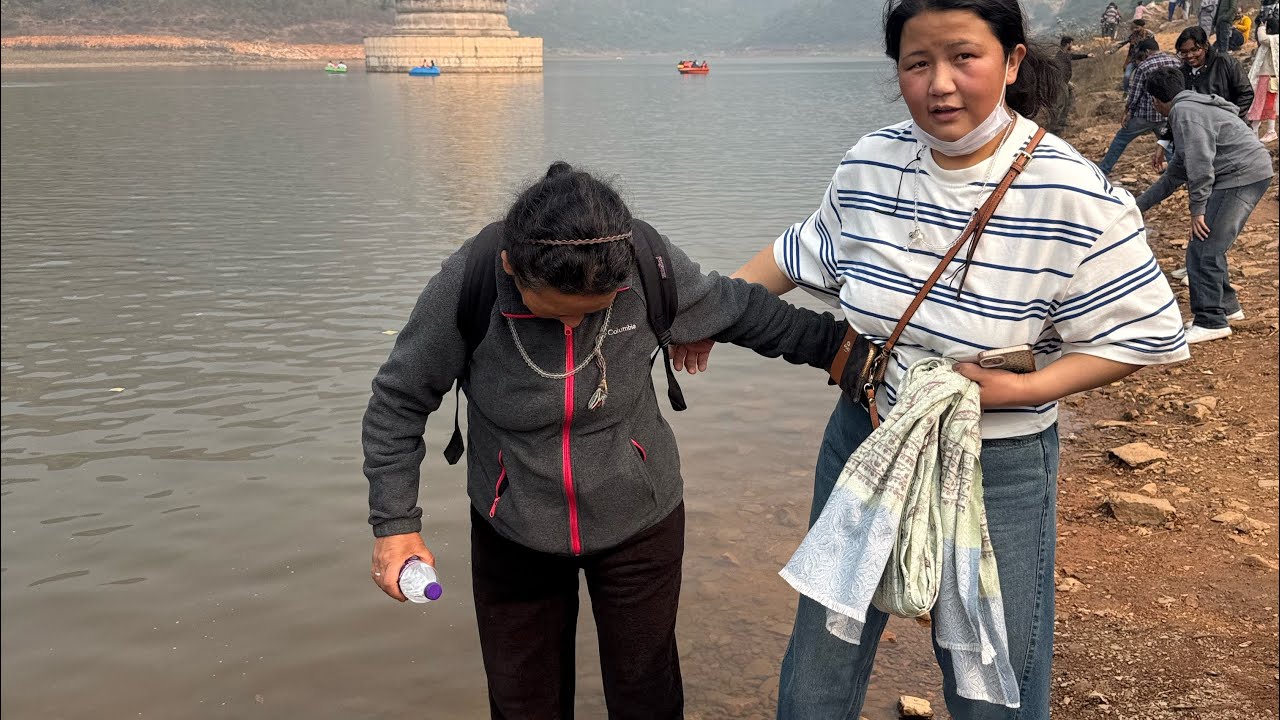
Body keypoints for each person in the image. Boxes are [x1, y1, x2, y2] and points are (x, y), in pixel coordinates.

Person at [674, 0, 1188, 717]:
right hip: (866, 437)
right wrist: (712, 309)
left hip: (996, 461)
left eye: (963, 57)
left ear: (1012, 61)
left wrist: (1024, 390)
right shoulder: (871, 162)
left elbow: (1141, 335)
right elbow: (797, 254)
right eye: (918, 63)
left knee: (992, 680)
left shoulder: (1073, 193)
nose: (939, 84)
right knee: (820, 669)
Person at [363, 162, 846, 719]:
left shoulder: (645, 265)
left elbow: (745, 310)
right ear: (511, 266)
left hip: (639, 518)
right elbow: (398, 402)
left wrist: (849, 353)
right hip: (513, 526)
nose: (572, 328)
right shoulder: (467, 284)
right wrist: (395, 524)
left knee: (647, 693)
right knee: (523, 703)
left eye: (591, 313)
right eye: (553, 312)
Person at [1135, 68, 1274, 343]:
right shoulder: (1191, 106)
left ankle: (1210, 321)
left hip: (1241, 176)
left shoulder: (1184, 113)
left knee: (1203, 249)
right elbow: (1177, 172)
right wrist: (1136, 206)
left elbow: (1200, 165)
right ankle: (1227, 308)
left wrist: (1197, 210)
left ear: (1156, 101)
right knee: (1210, 245)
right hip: (1247, 172)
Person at [1098, 37, 1180, 176]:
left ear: (1146, 51)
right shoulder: (1175, 61)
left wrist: (1127, 112)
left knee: (1121, 139)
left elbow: (1135, 94)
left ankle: (1103, 170)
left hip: (1146, 115)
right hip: (1168, 115)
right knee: (1168, 144)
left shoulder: (1144, 66)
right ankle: (1177, 175)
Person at [1176, 26, 1254, 117]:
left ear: (1205, 46)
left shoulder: (1225, 63)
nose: (1189, 55)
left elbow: (1246, 93)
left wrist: (1230, 118)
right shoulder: (1181, 74)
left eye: (1194, 50)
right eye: (1184, 52)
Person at [1049, 35, 1095, 134]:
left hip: (1064, 82)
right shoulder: (1060, 56)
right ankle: (1054, 127)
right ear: (1067, 44)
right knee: (1060, 103)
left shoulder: (1065, 54)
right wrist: (1066, 82)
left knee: (1068, 101)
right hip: (1061, 82)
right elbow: (1060, 70)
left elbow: (1074, 56)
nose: (1072, 46)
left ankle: (1061, 122)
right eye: (1071, 44)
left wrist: (1087, 56)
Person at [1248, 4, 1280, 140]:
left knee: (1263, 103)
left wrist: (1261, 26)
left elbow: (1262, 38)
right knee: (1264, 103)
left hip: (1268, 77)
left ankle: (1265, 131)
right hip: (1269, 76)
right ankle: (1261, 130)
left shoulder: (1275, 39)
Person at [1109, 18, 1154, 91]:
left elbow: (1153, 46)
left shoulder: (1149, 34)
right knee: (1127, 76)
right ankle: (1126, 92)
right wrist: (1111, 51)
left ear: (1142, 27)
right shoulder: (1133, 35)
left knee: (1144, 78)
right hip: (1133, 59)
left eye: (1137, 27)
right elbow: (1122, 43)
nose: (1135, 29)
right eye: (1133, 28)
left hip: (1145, 60)